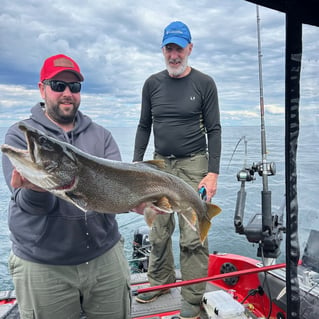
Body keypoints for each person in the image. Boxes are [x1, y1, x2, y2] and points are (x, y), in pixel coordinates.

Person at [2, 54, 131, 319]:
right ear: (42, 89)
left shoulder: (101, 136)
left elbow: (116, 195)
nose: (67, 93)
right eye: (58, 85)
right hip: (43, 265)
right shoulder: (20, 135)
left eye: (74, 87)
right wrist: (36, 189)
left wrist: (142, 202)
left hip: (103, 257)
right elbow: (27, 205)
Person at [133, 21, 221, 319]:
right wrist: (136, 165)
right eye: (169, 48)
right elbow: (145, 125)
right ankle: (160, 281)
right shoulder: (152, 83)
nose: (174, 55)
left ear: (190, 49)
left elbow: (215, 129)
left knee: (192, 235)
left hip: (195, 164)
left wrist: (213, 172)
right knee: (158, 229)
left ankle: (193, 299)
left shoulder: (204, 83)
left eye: (179, 48)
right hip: (159, 164)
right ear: (163, 49)